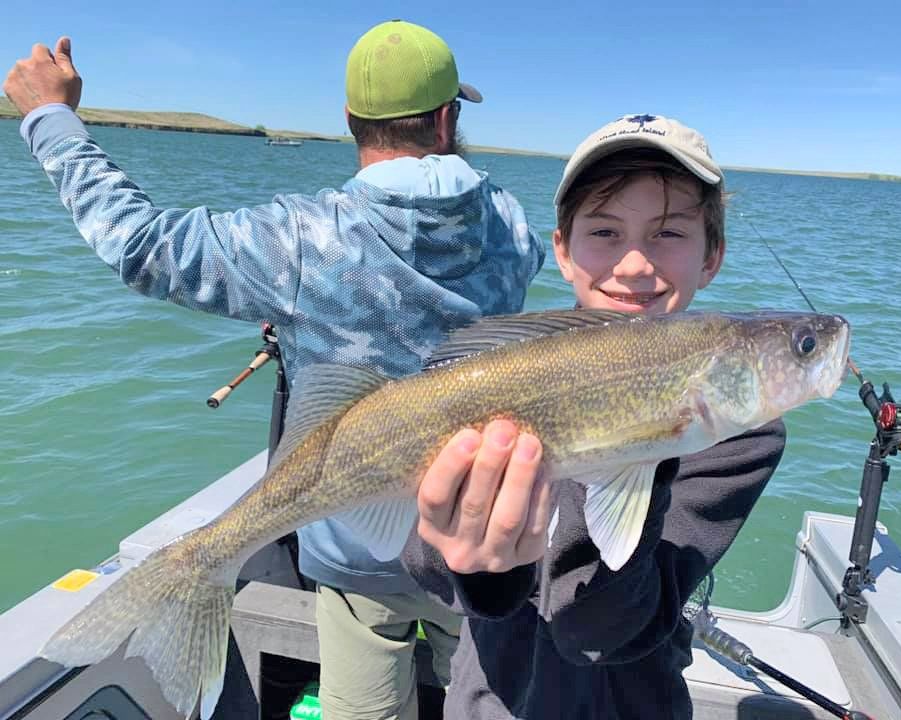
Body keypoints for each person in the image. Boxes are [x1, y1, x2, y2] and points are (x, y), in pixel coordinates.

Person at [3, 20, 545, 720]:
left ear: (351, 121)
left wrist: (50, 118)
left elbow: (142, 245)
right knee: (486, 693)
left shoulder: (298, 239)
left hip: (357, 556)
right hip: (484, 542)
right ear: (447, 119)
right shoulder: (511, 222)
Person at [400, 114, 787, 719]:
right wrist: (488, 576)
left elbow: (602, 630)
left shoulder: (741, 427)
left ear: (712, 257)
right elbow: (426, 566)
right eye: (605, 231)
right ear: (562, 251)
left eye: (669, 233)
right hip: (490, 699)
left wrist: (651, 442)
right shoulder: (505, 369)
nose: (633, 264)